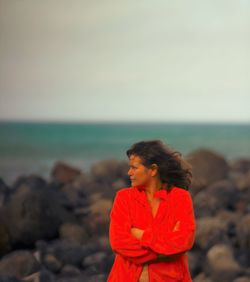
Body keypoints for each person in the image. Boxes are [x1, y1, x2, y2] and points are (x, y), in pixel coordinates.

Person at [107, 140, 196, 282]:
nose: (129, 173)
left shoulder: (180, 198)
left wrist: (141, 235)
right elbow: (118, 242)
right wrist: (166, 252)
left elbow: (183, 242)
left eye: (134, 168)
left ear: (153, 170)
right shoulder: (124, 198)